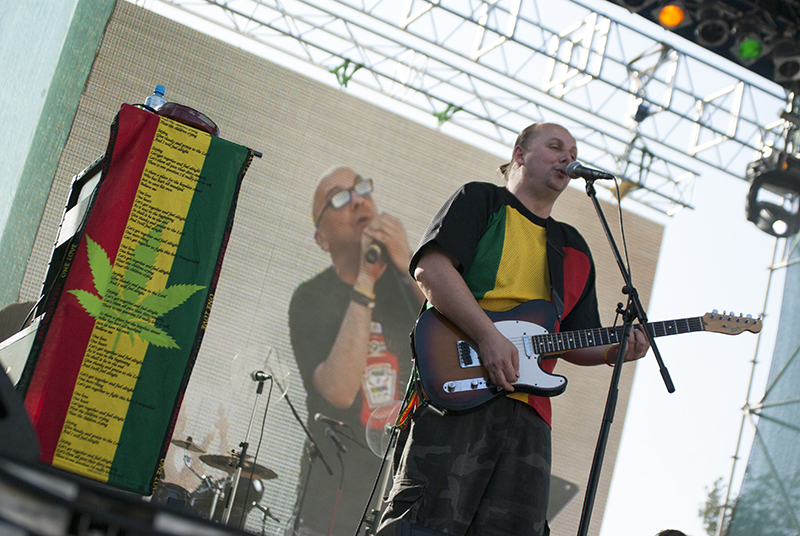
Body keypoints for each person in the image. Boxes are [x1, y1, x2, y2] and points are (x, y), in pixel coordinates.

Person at [376, 123, 651, 536]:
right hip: (457, 393)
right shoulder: (480, 200)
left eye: (573, 152)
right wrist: (488, 337)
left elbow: (574, 340)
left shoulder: (574, 248)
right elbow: (431, 270)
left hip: (530, 417)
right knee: (424, 524)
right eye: (555, 146)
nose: (567, 157)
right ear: (520, 154)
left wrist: (618, 350)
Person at [288, 167, 425, 536]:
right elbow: (338, 390)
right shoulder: (310, 298)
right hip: (334, 490)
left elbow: (458, 345)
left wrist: (410, 263)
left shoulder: (409, 285)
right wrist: (365, 280)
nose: (358, 200)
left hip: (405, 489)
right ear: (321, 239)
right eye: (339, 197)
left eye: (362, 188)